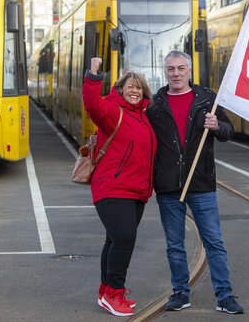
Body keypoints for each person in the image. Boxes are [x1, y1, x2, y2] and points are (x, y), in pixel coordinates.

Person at [146, 50, 244, 314]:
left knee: (213, 241)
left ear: (189, 71)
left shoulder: (207, 99)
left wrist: (217, 126)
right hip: (167, 185)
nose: (175, 73)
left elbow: (228, 131)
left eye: (180, 68)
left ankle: (224, 296)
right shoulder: (155, 104)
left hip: (201, 183)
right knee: (175, 244)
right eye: (170, 69)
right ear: (164, 72)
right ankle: (180, 292)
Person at [82, 57, 157, 317]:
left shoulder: (144, 116)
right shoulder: (114, 111)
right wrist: (93, 75)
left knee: (114, 239)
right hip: (113, 187)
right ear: (121, 90)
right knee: (125, 238)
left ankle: (105, 291)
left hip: (136, 192)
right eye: (129, 87)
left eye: (138, 88)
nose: (134, 91)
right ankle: (115, 292)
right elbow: (92, 105)